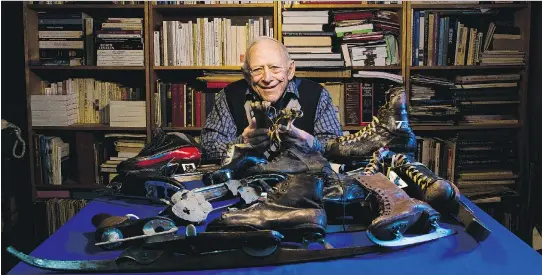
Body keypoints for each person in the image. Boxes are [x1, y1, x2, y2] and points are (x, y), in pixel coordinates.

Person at [201, 36, 342, 162]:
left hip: (304, 180)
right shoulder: (229, 96)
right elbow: (209, 148)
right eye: (257, 70)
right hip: (247, 180)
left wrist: (309, 142)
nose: (267, 78)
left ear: (290, 70)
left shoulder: (317, 95)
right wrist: (242, 142)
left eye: (275, 68)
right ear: (246, 75)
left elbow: (335, 148)